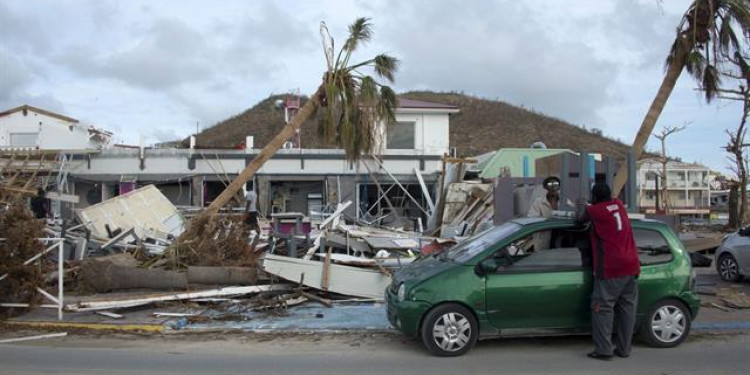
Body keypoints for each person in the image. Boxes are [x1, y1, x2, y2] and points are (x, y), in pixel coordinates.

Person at [577, 183, 640, 361]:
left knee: (602, 308)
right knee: (627, 309)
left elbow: (581, 217)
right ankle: (624, 349)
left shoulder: (596, 211)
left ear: (595, 197)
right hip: (631, 266)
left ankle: (604, 350)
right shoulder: (618, 205)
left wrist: (581, 203)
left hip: (612, 268)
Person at [527, 176, 561, 250]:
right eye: (550, 185)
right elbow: (531, 219)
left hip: (559, 239)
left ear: (558, 187)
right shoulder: (538, 202)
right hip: (543, 239)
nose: (553, 187)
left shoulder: (563, 201)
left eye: (555, 184)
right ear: (546, 187)